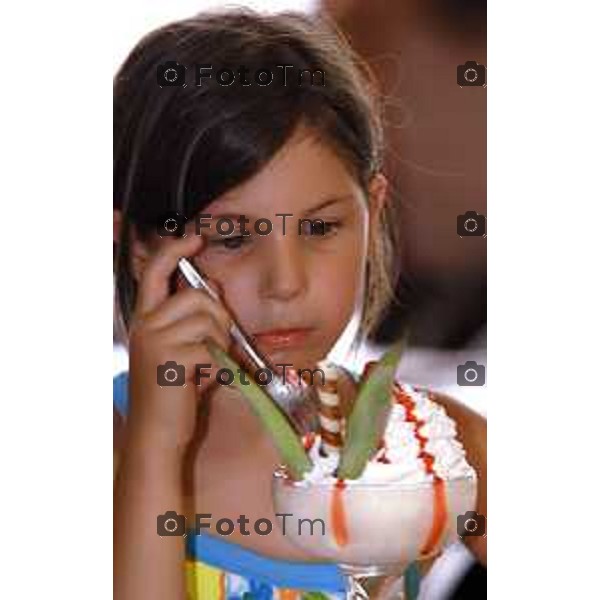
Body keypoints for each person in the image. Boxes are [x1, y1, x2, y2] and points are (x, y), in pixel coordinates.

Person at [113, 9, 487, 600]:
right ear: (143, 247)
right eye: (233, 236)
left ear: (373, 211)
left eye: (320, 229)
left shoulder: (432, 445)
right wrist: (155, 450)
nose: (284, 283)